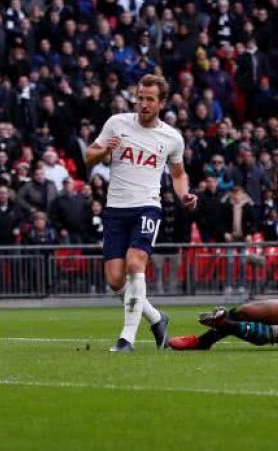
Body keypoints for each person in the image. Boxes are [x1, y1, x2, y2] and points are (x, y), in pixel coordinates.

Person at [85, 74, 198, 352]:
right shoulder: (116, 123)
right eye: (140, 98)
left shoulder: (172, 137)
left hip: (147, 207)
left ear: (161, 103)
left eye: (149, 99)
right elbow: (89, 156)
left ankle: (127, 339)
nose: (143, 104)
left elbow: (179, 173)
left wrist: (184, 194)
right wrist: (103, 152)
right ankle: (157, 318)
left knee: (136, 264)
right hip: (115, 210)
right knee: (114, 281)